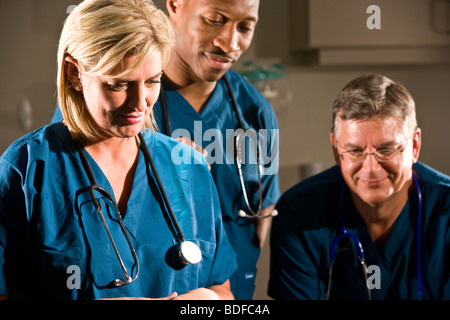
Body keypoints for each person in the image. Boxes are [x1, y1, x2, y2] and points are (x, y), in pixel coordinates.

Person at [0, 0, 237, 300]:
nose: (140, 102)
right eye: (119, 84)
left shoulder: (188, 168)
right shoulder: (27, 170)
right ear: (75, 73)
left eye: (153, 81)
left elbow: (222, 289)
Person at [52, 0, 280, 300]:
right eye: (214, 19)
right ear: (175, 5)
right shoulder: (111, 109)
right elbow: (64, 210)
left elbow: (261, 211)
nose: (230, 42)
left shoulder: (256, 112)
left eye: (246, 27)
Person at [268, 74, 450, 300]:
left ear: (414, 145)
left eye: (386, 150)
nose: (371, 168)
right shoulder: (299, 213)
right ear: (336, 150)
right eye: (355, 151)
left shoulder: (446, 210)